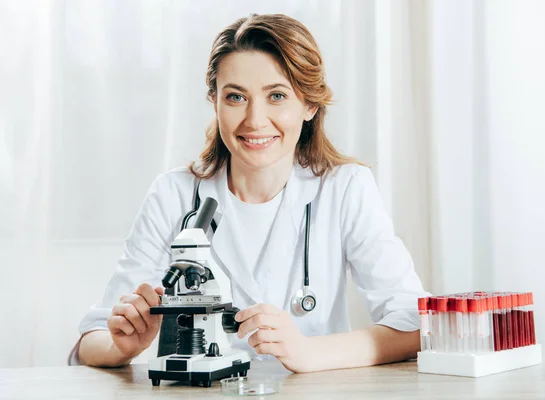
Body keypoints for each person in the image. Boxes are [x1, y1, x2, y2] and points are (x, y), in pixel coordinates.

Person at [71, 13, 428, 373]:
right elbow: (92, 340)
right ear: (215, 102)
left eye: (276, 95)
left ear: (309, 105)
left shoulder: (346, 188)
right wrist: (121, 346)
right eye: (236, 97)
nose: (255, 120)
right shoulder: (173, 194)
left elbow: (416, 324)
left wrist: (309, 353)